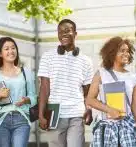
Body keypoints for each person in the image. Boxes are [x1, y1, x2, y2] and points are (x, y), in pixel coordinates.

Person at [37, 19, 94, 147]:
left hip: (77, 114)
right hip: (55, 114)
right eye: (60, 31)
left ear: (75, 33)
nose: (63, 34)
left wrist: (89, 110)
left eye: (67, 31)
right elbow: (44, 89)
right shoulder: (47, 57)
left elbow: (87, 92)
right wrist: (41, 114)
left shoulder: (86, 61)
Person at [86, 36, 136, 147]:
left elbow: (135, 105)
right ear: (112, 53)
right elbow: (90, 100)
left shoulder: (134, 78)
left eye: (128, 51)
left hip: (126, 126)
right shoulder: (101, 74)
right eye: (122, 51)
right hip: (105, 126)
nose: (126, 54)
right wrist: (110, 110)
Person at [0, 37, 37, 147]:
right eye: (6, 49)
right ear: (0, 53)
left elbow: (34, 97)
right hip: (1, 119)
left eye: (13, 48)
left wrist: (25, 100)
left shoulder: (26, 72)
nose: (11, 51)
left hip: (21, 118)